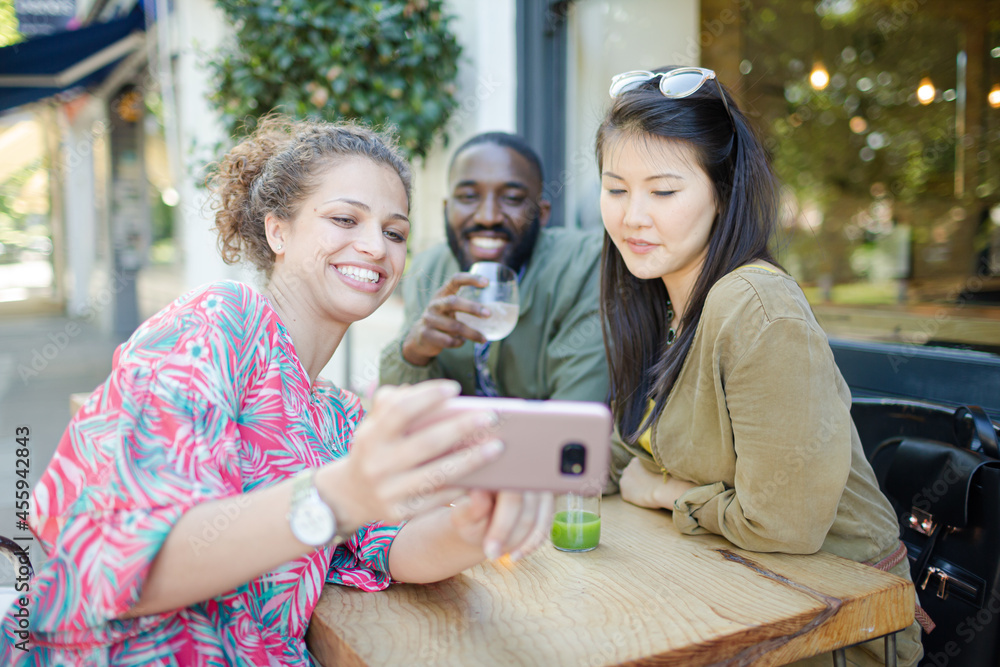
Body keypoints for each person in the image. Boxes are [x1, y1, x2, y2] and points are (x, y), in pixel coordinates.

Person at [0, 117, 552, 665]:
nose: (375, 247)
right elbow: (123, 574)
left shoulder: (336, 414)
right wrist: (340, 494)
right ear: (277, 231)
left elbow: (390, 548)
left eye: (394, 232)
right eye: (344, 219)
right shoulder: (219, 322)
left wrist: (473, 526)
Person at [596, 67, 925, 666]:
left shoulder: (755, 306)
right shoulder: (661, 302)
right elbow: (629, 457)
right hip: (738, 595)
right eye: (615, 189)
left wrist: (667, 493)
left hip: (832, 626)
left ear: (723, 192)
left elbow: (784, 526)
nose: (632, 216)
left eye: (663, 191)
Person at [379, 132, 608, 402]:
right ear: (446, 209)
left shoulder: (585, 266)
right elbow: (401, 413)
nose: (488, 217)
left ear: (542, 213)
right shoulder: (430, 268)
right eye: (468, 196)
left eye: (511, 198)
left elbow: (576, 418)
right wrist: (414, 353)